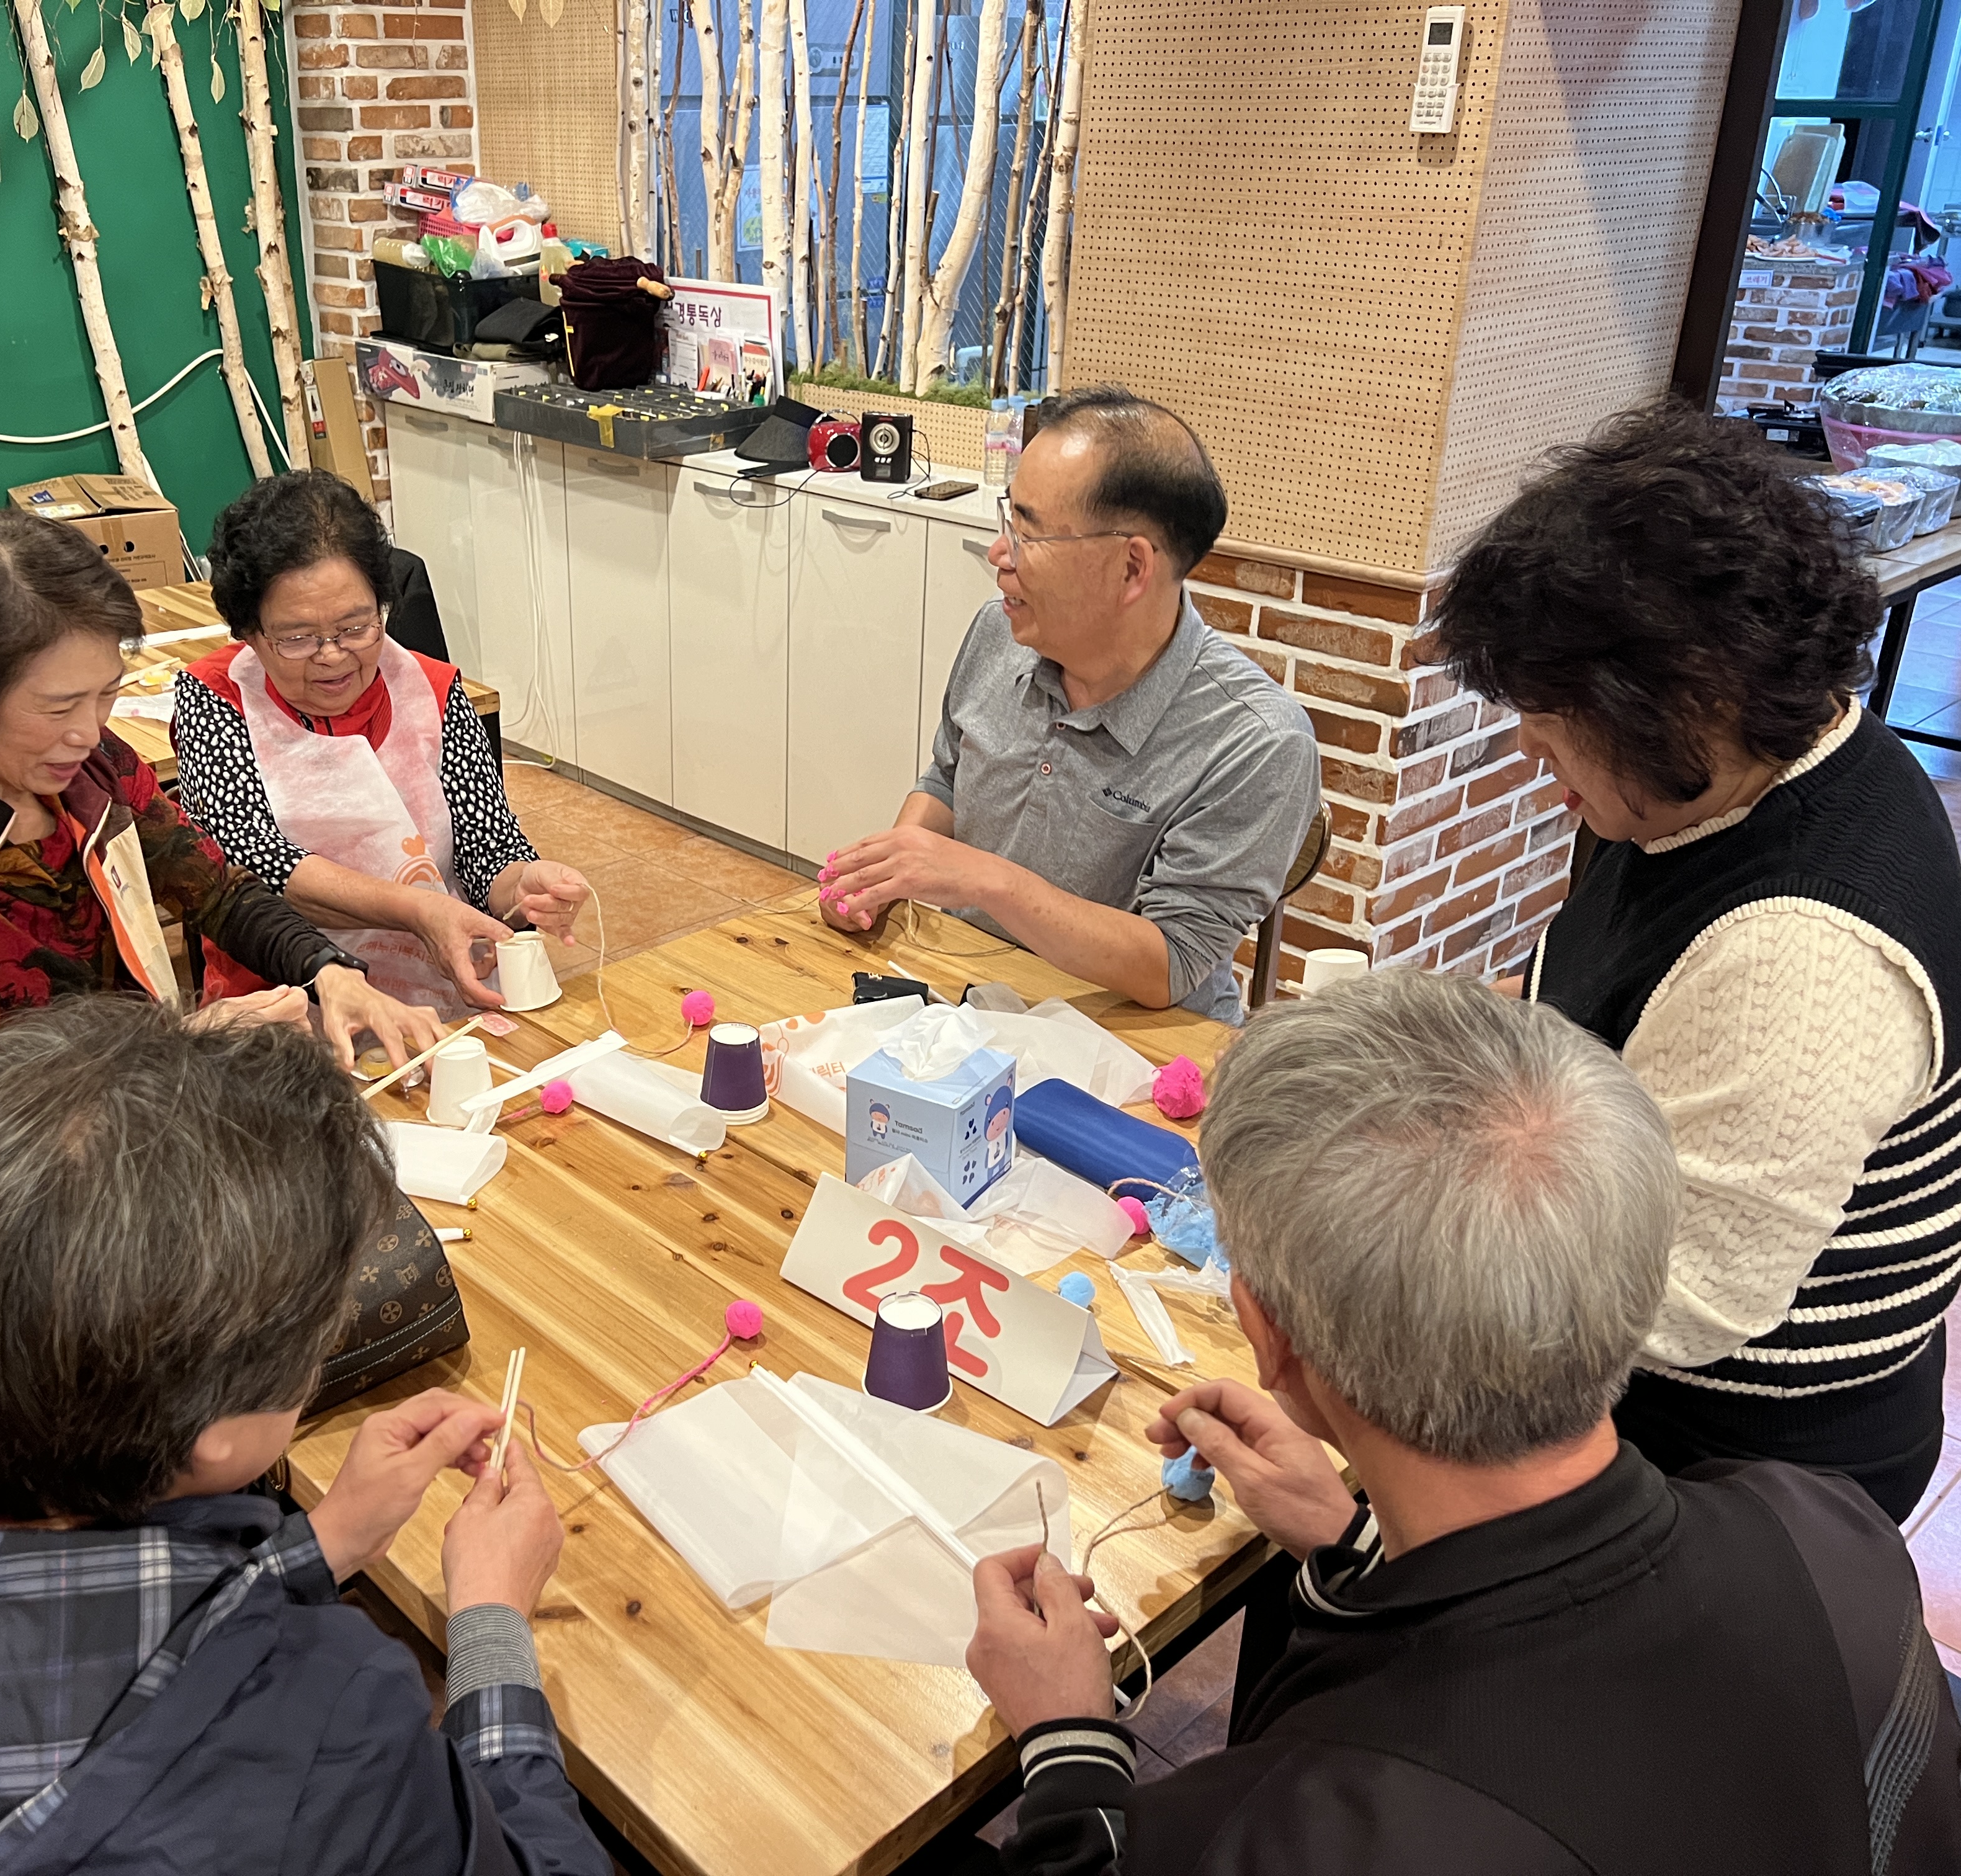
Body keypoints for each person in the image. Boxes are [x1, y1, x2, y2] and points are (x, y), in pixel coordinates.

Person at [966, 970, 1961, 1874]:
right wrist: (1359, 1545)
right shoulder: (1833, 1535)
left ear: (1267, 1335)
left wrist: (1067, 1742)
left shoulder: (1308, 1830)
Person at [0, 999, 605, 1876]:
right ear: (218, 1440)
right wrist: (489, 1621)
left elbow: (102, 1657)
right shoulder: (327, 1723)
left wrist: (320, 1549)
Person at [1423, 399, 1961, 1521]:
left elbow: (1668, 1303)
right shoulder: (1696, 786)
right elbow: (1584, 987)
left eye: (1549, 716)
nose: (1528, 747)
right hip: (1625, 1345)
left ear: (1686, 698)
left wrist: (1395, 1230)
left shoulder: (1801, 956)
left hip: (1738, 1469)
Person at [0, 508, 443, 1176]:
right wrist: (173, 1045)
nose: (88, 731)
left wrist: (327, 972)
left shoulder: (95, 772)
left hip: (132, 1131)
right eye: (59, 707)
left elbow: (218, 892)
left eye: (106, 695)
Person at [816, 388, 1318, 1023]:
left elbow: (1175, 961)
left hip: (1135, 1046)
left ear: (1133, 568)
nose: (1000, 553)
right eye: (1009, 521)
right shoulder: (998, 634)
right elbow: (949, 777)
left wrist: (985, 879)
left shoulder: (1256, 741)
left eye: (1028, 532)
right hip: (967, 996)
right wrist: (885, 877)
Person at [174, 471, 591, 1015]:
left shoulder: (431, 692)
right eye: (297, 638)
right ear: (249, 631)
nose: (332, 655)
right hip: (282, 1009)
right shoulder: (219, 698)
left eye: (356, 626)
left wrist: (525, 886)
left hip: (439, 992)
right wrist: (419, 911)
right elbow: (256, 863)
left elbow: (489, 853)